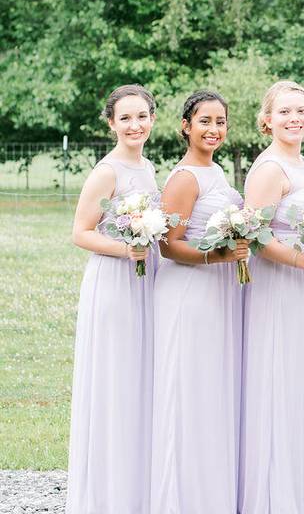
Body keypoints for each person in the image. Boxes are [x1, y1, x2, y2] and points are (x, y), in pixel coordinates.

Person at [151, 90, 248, 513]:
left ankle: (208, 493)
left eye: (220, 121)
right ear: (186, 127)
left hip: (218, 292)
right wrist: (219, 255)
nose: (214, 129)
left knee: (210, 390)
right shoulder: (184, 178)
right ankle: (179, 498)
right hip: (188, 291)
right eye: (205, 121)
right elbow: (168, 247)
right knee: (186, 389)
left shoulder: (218, 172)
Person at [239, 80, 304, 514]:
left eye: (302, 111)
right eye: (285, 112)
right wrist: (300, 261)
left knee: (300, 378)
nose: (295, 118)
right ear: (267, 120)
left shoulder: (301, 163)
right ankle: (273, 498)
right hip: (279, 286)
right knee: (278, 378)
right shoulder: (270, 168)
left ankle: (294, 489)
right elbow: (254, 235)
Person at [67, 84, 159, 514]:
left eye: (141, 116)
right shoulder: (107, 172)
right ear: (111, 123)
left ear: (152, 120)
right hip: (113, 282)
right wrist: (127, 249)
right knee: (114, 378)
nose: (134, 125)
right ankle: (105, 493)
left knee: (138, 378)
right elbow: (80, 232)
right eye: (125, 118)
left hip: (144, 281)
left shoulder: (149, 167)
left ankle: (135, 483)